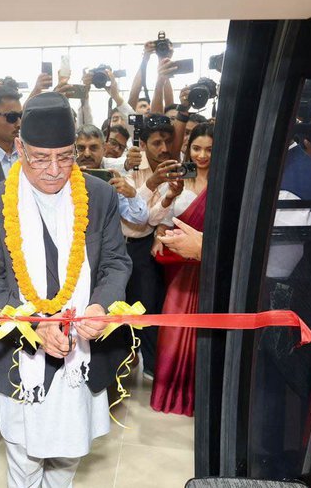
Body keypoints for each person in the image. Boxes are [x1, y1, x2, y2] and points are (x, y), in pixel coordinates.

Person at [0, 92, 132, 488]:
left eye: (66, 156)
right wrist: (32, 324)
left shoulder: (100, 195)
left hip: (81, 351)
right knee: (24, 458)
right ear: (20, 147)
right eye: (41, 158)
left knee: (68, 456)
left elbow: (116, 263)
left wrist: (99, 306)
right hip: (21, 354)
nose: (55, 169)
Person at [148, 123, 213, 416]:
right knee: (173, 329)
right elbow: (157, 219)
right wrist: (170, 200)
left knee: (205, 333)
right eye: (196, 148)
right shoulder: (178, 182)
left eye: (209, 150)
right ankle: (169, 395)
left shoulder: (227, 182)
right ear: (187, 148)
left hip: (209, 265)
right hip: (178, 267)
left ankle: (198, 396)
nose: (201, 155)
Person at [123, 112, 186, 378]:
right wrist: (151, 183)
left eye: (168, 142)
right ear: (144, 144)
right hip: (116, 245)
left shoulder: (173, 168)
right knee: (118, 305)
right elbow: (129, 211)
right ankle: (122, 363)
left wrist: (169, 198)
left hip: (145, 246)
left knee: (148, 303)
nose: (163, 149)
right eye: (157, 143)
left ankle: (152, 366)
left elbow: (149, 219)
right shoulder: (129, 166)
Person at [75, 124, 149, 227]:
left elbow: (140, 219)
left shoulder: (111, 177)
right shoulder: (64, 174)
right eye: (81, 148)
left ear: (104, 149)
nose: (87, 154)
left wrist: (132, 194)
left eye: (93, 148)